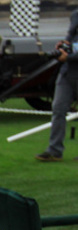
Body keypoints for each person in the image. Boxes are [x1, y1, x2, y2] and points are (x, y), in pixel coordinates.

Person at [35, 9, 78, 162]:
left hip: (71, 64)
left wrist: (70, 56)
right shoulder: (75, 15)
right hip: (67, 72)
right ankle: (54, 150)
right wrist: (63, 44)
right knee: (58, 109)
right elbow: (70, 37)